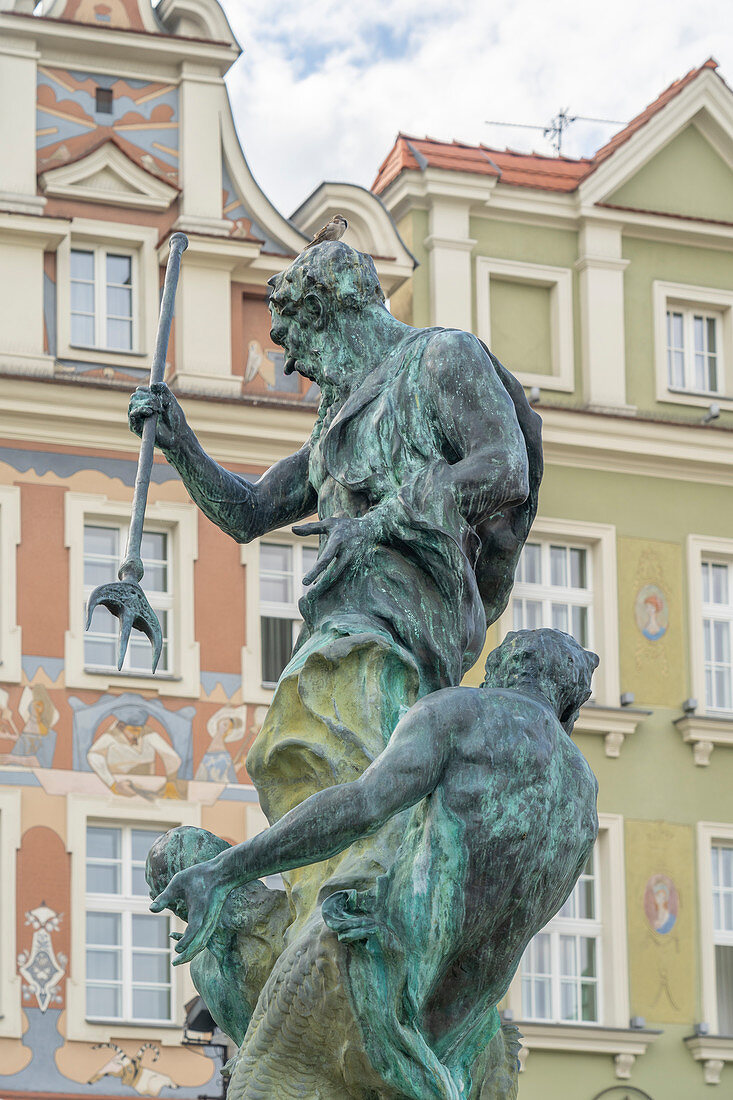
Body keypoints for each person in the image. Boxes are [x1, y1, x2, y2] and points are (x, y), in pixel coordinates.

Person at [131, 240, 543, 1095]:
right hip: (339, 635)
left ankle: (368, 949)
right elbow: (249, 513)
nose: (291, 359)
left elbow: (502, 467)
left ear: (337, 310)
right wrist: (179, 443)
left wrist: (382, 518)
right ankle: (320, 935)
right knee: (300, 764)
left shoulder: (440, 359)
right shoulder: (334, 422)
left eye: (295, 336)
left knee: (363, 780)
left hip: (401, 634)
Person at [151, 629, 598, 1100]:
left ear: (500, 671)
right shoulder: (584, 794)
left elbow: (359, 807)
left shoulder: (461, 713)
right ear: (570, 704)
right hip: (450, 1040)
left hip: (359, 972)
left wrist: (222, 872)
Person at [87, 703, 182, 798]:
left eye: (139, 730)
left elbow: (171, 756)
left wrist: (171, 782)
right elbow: (93, 756)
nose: (136, 734)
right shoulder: (111, 736)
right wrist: (112, 784)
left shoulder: (148, 733)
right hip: (118, 784)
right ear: (121, 726)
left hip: (146, 785)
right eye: (132, 730)